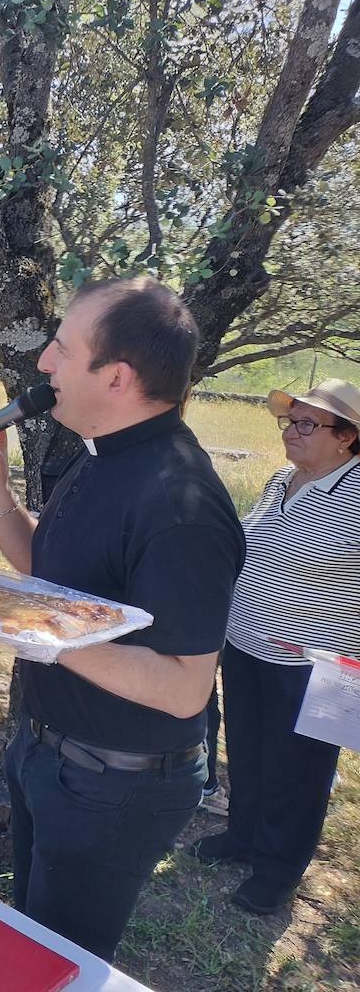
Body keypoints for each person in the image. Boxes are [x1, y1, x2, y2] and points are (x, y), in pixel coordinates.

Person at [0, 277, 245, 961]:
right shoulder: (98, 455)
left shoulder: (179, 503)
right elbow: (51, 579)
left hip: (114, 782)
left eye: (61, 347)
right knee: (33, 939)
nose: (44, 363)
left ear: (116, 377)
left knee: (60, 960)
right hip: (48, 752)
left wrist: (27, 625)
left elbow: (182, 688)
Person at [190, 378, 360, 915]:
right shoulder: (280, 480)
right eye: (291, 420)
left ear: (347, 438)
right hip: (246, 646)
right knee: (248, 750)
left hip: (316, 666)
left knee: (299, 772)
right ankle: (242, 836)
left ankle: (278, 869)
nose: (292, 431)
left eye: (309, 423)